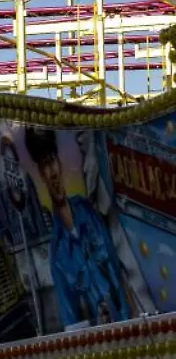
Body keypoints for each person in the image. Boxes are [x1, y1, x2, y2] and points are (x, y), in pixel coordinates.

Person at [24, 127, 129, 328]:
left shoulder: (89, 211)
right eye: (45, 165)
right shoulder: (58, 256)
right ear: (41, 174)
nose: (52, 173)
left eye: (53, 161)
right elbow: (72, 325)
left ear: (59, 163)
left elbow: (119, 271)